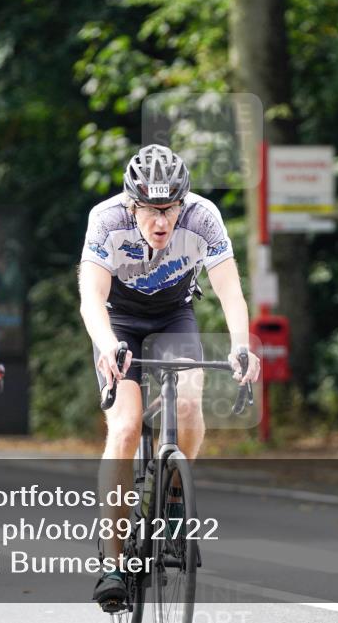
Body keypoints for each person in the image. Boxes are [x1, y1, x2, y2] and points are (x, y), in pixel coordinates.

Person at [78, 144, 261, 608]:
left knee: (186, 404)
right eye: (151, 210)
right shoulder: (106, 220)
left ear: (183, 202)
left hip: (174, 316)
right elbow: (91, 299)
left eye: (170, 209)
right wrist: (106, 346)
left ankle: (173, 494)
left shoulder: (203, 218)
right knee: (123, 428)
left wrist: (242, 345)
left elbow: (230, 294)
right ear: (132, 204)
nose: (161, 222)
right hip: (118, 322)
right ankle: (114, 563)